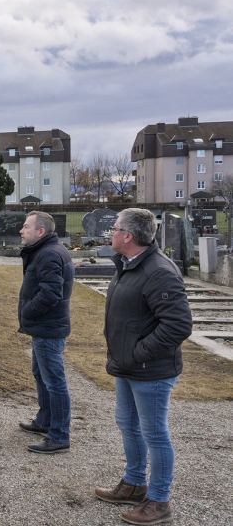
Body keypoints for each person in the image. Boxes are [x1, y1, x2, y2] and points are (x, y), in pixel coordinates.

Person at [93, 208, 192, 526]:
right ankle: (134, 483)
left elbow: (178, 325)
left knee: (155, 434)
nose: (112, 233)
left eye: (115, 228)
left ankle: (159, 502)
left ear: (128, 236)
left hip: (151, 370)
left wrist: (137, 353)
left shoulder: (158, 271)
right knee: (128, 424)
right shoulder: (128, 265)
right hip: (128, 366)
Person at [16, 211, 74, 454]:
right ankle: (45, 420)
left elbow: (51, 293)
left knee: (54, 382)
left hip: (48, 328)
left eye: (26, 226)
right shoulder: (45, 251)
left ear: (40, 231)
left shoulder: (49, 254)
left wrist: (28, 311)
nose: (21, 230)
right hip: (45, 327)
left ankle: (59, 435)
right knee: (41, 374)